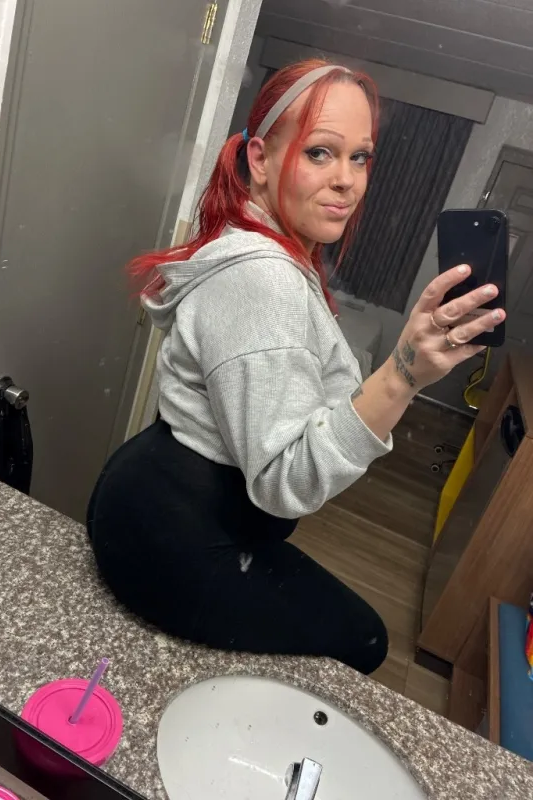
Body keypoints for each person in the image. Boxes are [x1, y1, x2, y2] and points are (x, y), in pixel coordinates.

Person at [87, 59, 505, 674]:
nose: (347, 181)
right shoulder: (264, 280)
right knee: (364, 642)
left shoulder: (275, 255)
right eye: (320, 152)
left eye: (360, 157)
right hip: (169, 534)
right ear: (259, 159)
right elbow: (287, 482)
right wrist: (402, 375)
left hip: (163, 494)